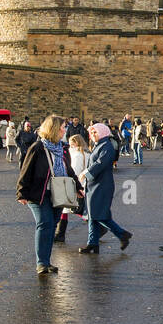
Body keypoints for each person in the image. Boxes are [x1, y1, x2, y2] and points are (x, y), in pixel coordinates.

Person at [16, 114, 77, 275]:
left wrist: (77, 186)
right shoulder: (37, 148)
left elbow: (68, 169)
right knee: (44, 224)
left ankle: (46, 261)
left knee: (51, 226)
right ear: (54, 129)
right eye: (63, 127)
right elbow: (25, 170)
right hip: (38, 194)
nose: (65, 130)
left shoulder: (63, 149)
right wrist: (21, 193)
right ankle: (41, 263)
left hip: (58, 193)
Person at [78, 123, 132, 254]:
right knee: (92, 215)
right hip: (94, 184)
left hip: (102, 185)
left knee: (100, 215)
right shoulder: (99, 145)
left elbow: (100, 163)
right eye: (92, 133)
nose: (93, 135)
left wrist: (86, 173)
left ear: (102, 132)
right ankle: (92, 243)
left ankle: (122, 234)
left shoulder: (107, 146)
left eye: (95, 132)